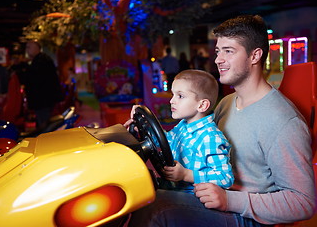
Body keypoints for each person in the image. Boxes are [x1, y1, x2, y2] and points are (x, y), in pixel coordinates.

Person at [128, 15, 316, 227]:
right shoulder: (227, 103)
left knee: (154, 209)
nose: (217, 59)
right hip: (209, 195)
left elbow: (303, 203)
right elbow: (195, 137)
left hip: (245, 215)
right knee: (140, 192)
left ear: (255, 56)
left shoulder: (283, 121)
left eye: (229, 51)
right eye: (218, 51)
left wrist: (229, 200)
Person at [18, 40, 63, 130]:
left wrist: (22, 67)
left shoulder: (41, 61)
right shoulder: (41, 59)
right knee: (44, 123)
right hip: (44, 99)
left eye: (29, 47)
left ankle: (46, 142)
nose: (27, 50)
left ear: (37, 48)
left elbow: (32, 78)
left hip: (43, 100)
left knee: (44, 125)